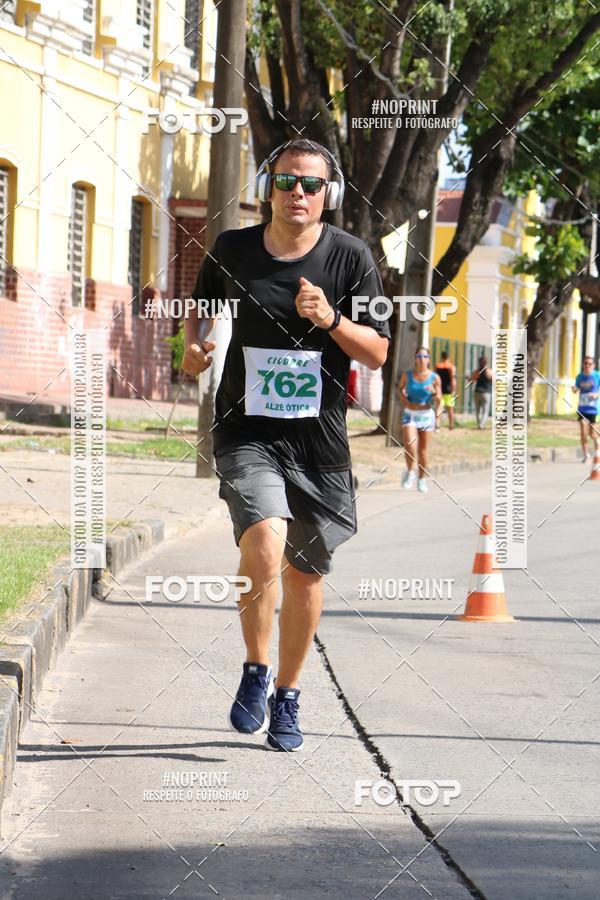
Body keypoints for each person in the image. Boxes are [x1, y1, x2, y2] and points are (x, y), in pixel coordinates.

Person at [181, 139, 389, 752]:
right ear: (268, 187)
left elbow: (377, 349)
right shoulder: (233, 249)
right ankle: (255, 669)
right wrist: (195, 351)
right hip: (248, 433)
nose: (298, 192)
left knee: (303, 576)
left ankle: (289, 696)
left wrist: (330, 320)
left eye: (312, 184)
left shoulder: (352, 258)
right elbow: (201, 315)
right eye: (286, 180)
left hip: (320, 445)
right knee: (265, 544)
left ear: (330, 195)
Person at [397, 347, 441, 493]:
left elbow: (439, 399)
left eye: (424, 356)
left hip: (426, 414)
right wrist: (404, 399)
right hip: (410, 413)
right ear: (415, 358)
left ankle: (422, 480)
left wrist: (434, 391)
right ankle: (410, 472)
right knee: (410, 445)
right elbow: (400, 388)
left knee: (423, 451)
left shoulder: (434, 378)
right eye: (419, 356)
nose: (422, 359)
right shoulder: (407, 375)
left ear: (428, 359)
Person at [572, 355, 600, 462]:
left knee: (592, 433)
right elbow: (575, 389)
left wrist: (596, 395)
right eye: (585, 363)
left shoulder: (597, 375)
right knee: (583, 429)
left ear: (593, 365)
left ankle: (597, 445)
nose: (587, 365)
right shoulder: (580, 376)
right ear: (583, 365)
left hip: (593, 409)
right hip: (582, 408)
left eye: (589, 363)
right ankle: (586, 455)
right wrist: (574, 388)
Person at [435, 350, 457, 430]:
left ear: (442, 356)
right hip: (448, 391)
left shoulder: (437, 366)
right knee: (450, 408)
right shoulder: (451, 367)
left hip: (439, 390)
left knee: (439, 408)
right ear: (448, 357)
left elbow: (435, 379)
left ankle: (437, 425)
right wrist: (453, 390)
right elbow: (452, 379)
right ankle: (451, 425)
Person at [471, 356, 493, 428]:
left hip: (477, 392)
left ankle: (478, 423)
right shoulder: (489, 371)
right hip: (486, 393)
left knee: (477, 410)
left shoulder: (476, 371)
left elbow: (472, 381)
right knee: (485, 410)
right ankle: (481, 424)